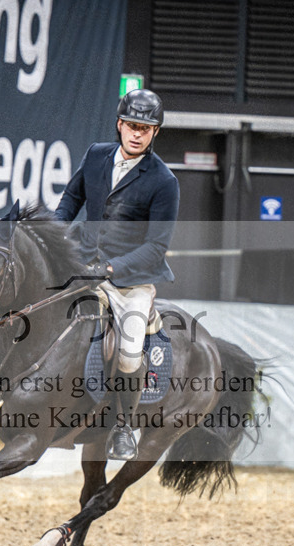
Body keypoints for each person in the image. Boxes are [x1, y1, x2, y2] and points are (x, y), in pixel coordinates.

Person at [54, 88, 180, 461]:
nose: (138, 133)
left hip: (130, 278)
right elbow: (70, 202)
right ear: (120, 124)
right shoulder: (95, 155)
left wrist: (111, 268)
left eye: (146, 128)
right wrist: (53, 236)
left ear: (155, 133)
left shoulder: (163, 181)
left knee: (127, 353)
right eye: (132, 125)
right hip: (83, 261)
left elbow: (156, 247)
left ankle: (123, 425)